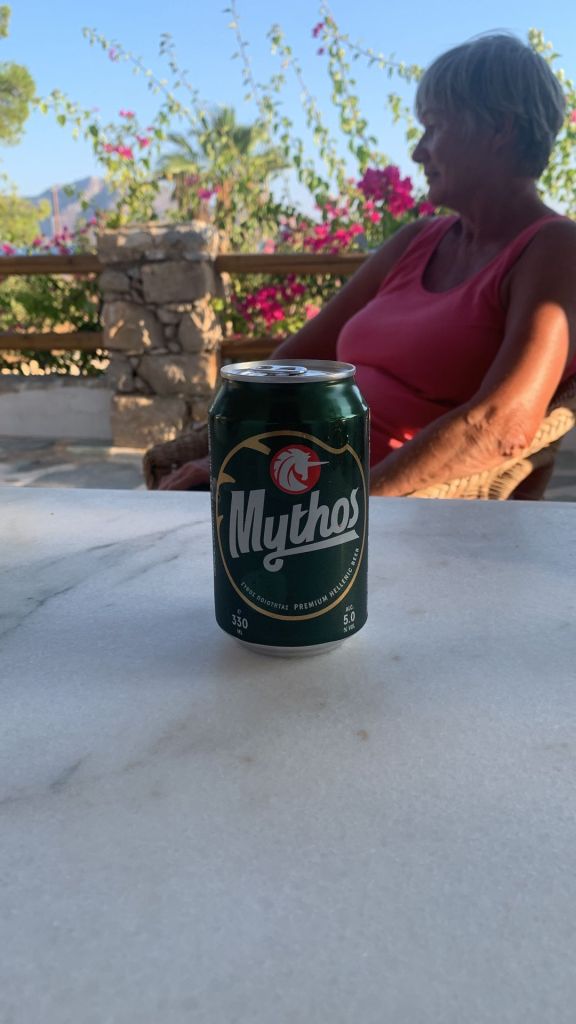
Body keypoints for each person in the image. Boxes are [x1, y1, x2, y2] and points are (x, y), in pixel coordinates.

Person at [145, 32, 576, 497]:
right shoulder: (417, 240)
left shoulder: (553, 248)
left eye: (434, 128)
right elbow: (292, 362)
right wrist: (230, 455)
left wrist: (351, 507)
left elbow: (501, 423)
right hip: (292, 474)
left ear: (500, 130)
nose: (418, 151)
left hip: (372, 502)